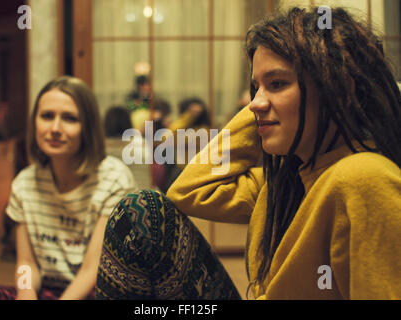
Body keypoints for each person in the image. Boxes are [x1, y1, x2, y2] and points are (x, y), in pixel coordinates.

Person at [95, 7, 401, 300]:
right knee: (141, 211)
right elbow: (187, 191)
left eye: (278, 83)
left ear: (338, 89)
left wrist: (270, 106)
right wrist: (264, 108)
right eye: (256, 88)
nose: (254, 102)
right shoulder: (284, 183)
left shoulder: (364, 178)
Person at [0, 76, 137, 300]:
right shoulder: (25, 184)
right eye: (47, 116)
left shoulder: (113, 179)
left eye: (69, 118)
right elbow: (26, 264)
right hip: (50, 292)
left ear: (87, 127)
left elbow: (92, 270)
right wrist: (26, 292)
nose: (55, 128)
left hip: (98, 292)